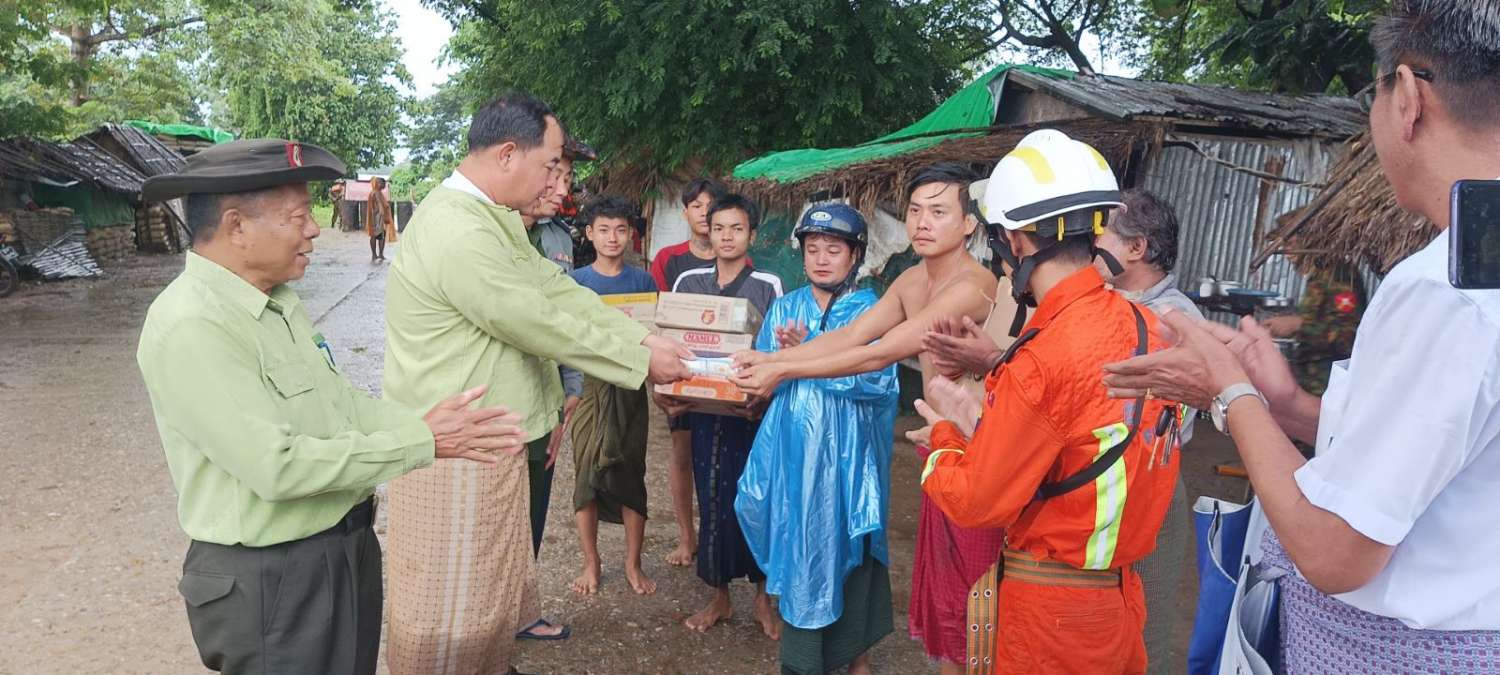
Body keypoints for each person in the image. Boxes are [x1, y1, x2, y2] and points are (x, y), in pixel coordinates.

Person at [1102, 2, 1500, 670]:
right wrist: (1284, 406)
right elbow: (1441, 451)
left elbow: (1334, 549)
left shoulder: (1446, 287)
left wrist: (1229, 392)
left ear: (1407, 97)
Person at [135, 139, 527, 675]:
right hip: (274, 578)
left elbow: (341, 407)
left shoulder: (276, 302)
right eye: (298, 217)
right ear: (236, 226)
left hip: (338, 551)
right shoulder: (193, 324)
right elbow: (276, 467)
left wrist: (428, 425)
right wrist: (423, 441)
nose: (315, 230)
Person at [380, 92, 692, 675]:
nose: (556, 180)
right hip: (460, 448)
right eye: (550, 164)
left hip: (490, 441)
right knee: (452, 605)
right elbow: (530, 318)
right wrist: (636, 357)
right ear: (507, 155)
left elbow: (556, 292)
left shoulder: (491, 221)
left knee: (490, 592)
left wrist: (643, 340)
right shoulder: (457, 228)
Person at [915, 130, 1181, 673]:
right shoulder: (1147, 327)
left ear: (1015, 242)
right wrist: (986, 421)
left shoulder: (1045, 354)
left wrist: (946, 434)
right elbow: (1083, 450)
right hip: (1117, 604)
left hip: (1048, 617)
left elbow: (977, 502)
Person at [732, 164, 999, 673]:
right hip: (942, 444)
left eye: (939, 211)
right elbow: (851, 337)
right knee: (947, 594)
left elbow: (879, 354)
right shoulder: (913, 279)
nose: (922, 222)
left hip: (982, 451)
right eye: (915, 210)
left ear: (969, 224)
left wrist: (783, 367)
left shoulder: (973, 284)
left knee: (977, 595)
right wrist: (767, 359)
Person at [735, 203, 899, 675]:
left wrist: (804, 357)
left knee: (851, 547)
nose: (821, 259)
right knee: (798, 542)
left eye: (833, 249)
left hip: (849, 459)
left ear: (855, 256)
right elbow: (763, 379)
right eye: (812, 249)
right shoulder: (786, 307)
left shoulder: (872, 310)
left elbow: (879, 381)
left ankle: (857, 658)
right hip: (793, 457)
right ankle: (803, 656)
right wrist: (761, 372)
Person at [667, 193, 784, 636]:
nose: (727, 237)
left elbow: (777, 351)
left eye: (737, 228)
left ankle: (762, 599)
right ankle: (719, 597)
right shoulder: (689, 283)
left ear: (752, 234)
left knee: (756, 501)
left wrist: (763, 397)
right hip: (703, 409)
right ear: (707, 232)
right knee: (712, 498)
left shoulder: (768, 285)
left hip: (751, 413)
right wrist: (670, 395)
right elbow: (673, 340)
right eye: (719, 228)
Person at [566, 195, 661, 596]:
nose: (612, 238)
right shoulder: (575, 283)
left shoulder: (643, 283)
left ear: (631, 235)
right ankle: (591, 562)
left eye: (621, 230)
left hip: (629, 385)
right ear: (589, 234)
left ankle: (632, 563)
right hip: (589, 386)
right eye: (603, 230)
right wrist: (568, 390)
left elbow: (653, 337)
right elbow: (565, 340)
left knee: (630, 470)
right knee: (586, 473)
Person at [516, 135, 596, 564]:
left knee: (535, 508)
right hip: (499, 397)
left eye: (567, 178)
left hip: (546, 394)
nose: (563, 189)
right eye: (554, 175)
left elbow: (567, 316)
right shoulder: (487, 234)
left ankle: (524, 591)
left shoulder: (558, 238)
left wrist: (572, 387)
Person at [651, 177, 727, 567]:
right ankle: (687, 537)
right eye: (696, 205)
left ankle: (720, 538)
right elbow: (657, 316)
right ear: (685, 213)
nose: (703, 213)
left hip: (723, 376)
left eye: (710, 206)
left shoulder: (735, 257)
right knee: (681, 452)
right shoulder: (669, 260)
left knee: (721, 458)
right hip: (681, 370)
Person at [1261, 262, 1366, 396]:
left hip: (1326, 387)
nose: (1287, 254)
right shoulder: (1319, 274)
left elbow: (1348, 337)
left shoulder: (1340, 275)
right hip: (1307, 381)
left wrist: (1299, 325)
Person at [366, 176, 396, 262]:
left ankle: (377, 254)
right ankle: (377, 255)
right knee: (378, 236)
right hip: (377, 219)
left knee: (377, 236)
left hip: (377, 219)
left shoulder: (376, 193)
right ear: (378, 184)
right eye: (383, 183)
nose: (384, 185)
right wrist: (383, 216)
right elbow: (380, 206)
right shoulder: (376, 193)